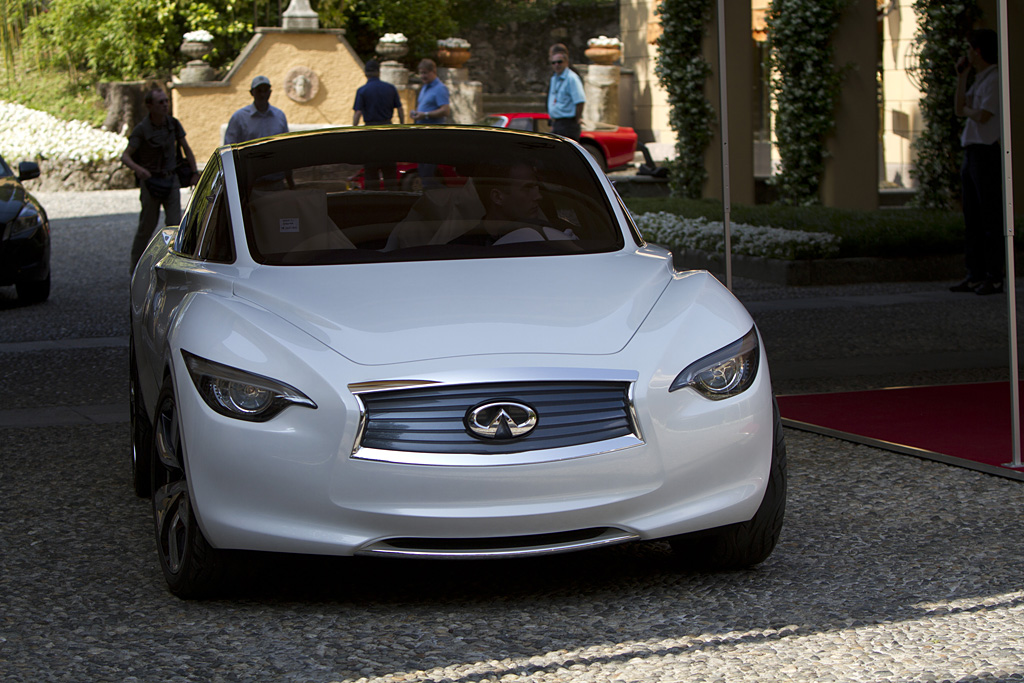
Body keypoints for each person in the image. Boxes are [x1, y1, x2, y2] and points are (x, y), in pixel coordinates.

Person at [121, 88, 199, 270]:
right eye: (160, 102)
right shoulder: (142, 129)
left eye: (166, 101)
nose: (165, 105)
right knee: (146, 227)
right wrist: (139, 170)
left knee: (175, 224)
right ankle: (135, 268)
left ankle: (176, 265)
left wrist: (194, 171)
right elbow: (126, 156)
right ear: (150, 106)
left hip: (171, 180)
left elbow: (186, 148)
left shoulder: (173, 124)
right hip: (151, 183)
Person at [950, 28, 1003, 295]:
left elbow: (983, 115)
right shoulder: (978, 78)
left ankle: (994, 275)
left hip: (987, 152)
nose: (966, 53)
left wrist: (971, 110)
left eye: (969, 48)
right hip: (971, 151)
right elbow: (961, 109)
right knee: (972, 217)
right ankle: (975, 273)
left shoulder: (994, 79)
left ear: (978, 50)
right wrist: (962, 77)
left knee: (989, 216)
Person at [353, 59, 405, 190]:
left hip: (370, 132)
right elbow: (400, 109)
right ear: (378, 72)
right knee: (390, 171)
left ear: (366, 73)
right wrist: (402, 126)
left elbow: (358, 113)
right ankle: (392, 199)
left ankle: (373, 200)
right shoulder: (390, 88)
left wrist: (353, 130)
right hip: (388, 130)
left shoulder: (363, 90)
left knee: (371, 172)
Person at [224, 75, 289, 144]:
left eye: (265, 90)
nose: (262, 94)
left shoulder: (279, 116)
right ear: (252, 92)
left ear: (270, 92)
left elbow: (286, 144)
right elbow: (229, 146)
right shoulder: (239, 117)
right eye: (259, 91)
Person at [547, 48, 586, 142]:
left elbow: (580, 101)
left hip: (568, 124)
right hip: (557, 123)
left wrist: (577, 120)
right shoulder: (554, 78)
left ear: (566, 62)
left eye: (559, 62)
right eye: (554, 63)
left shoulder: (571, 78)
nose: (556, 65)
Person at [410, 59, 450, 124]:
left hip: (433, 130)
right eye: (421, 73)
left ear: (433, 72)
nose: (422, 76)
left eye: (425, 73)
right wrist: (416, 113)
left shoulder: (440, 88)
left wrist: (425, 115)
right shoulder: (425, 86)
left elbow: (445, 111)